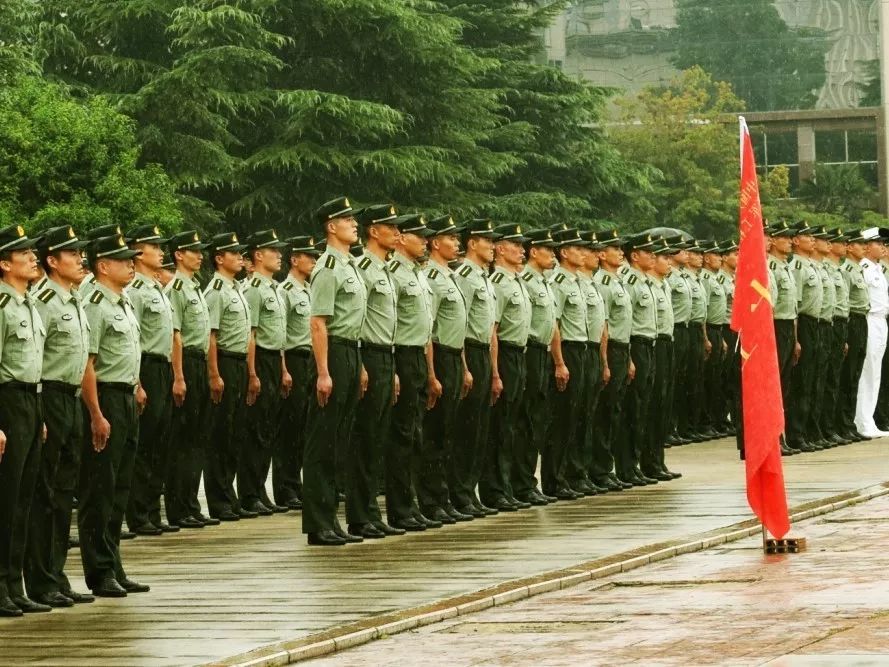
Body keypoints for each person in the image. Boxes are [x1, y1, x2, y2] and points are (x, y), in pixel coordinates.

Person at [24, 226, 93, 609]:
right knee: (45, 494)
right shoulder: (45, 300)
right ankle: (39, 580)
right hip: (47, 394)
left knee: (66, 492)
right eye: (72, 253)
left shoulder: (75, 298)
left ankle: (57, 574)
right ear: (52, 261)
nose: (80, 258)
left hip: (71, 398)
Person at [79, 233, 148, 598]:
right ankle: (99, 570)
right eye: (123, 260)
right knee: (100, 489)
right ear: (103, 266)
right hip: (104, 397)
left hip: (125, 397)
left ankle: (114, 562)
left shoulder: (123, 302)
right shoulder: (95, 303)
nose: (131, 264)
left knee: (120, 488)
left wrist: (136, 385)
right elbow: (87, 364)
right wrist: (95, 412)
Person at [302, 197, 368, 546]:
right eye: (347, 219)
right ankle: (317, 523)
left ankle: (331, 519)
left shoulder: (350, 264)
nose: (354, 224)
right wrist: (324, 372)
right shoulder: (327, 266)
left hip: (349, 351)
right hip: (333, 352)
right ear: (331, 226)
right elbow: (318, 323)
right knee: (323, 442)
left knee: (339, 440)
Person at [0, 225, 47, 616]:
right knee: (6, 497)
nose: (33, 258)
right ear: (4, 263)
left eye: (33, 252)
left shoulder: (29, 303)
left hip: (32, 402)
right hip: (8, 402)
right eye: (23, 253)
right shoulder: (1, 306)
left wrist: (40, 415)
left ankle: (15, 584)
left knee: (24, 500)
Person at [348, 204, 402, 538]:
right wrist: (363, 364)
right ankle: (359, 514)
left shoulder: (384, 269)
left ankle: (371, 511)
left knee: (378, 439)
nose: (397, 233)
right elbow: (359, 320)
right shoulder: (363, 268)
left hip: (387, 355)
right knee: (364, 439)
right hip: (367, 354)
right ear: (374, 232)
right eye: (390, 227)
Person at [386, 214, 439, 531]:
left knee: (417, 435)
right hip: (401, 357)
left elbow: (426, 329)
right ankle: (399, 507)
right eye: (418, 236)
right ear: (402, 238)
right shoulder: (392, 273)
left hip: (418, 356)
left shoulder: (419, 274)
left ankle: (413, 503)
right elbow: (388, 325)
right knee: (402, 436)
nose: (424, 242)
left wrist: (431, 373)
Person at [123, 225, 176, 537]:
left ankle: (153, 511)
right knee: (145, 444)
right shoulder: (136, 292)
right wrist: (139, 383)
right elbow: (135, 341)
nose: (160, 251)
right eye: (154, 246)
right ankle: (138, 513)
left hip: (164, 368)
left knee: (160, 441)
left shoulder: (158, 288)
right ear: (139, 252)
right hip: (147, 368)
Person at [420, 215, 472, 522]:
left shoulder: (451, 277)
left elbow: (459, 329)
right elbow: (429, 331)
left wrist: (464, 367)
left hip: (454, 355)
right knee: (435, 433)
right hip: (437, 355)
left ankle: (446, 496)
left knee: (450, 432)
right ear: (436, 243)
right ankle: (431, 499)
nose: (457, 244)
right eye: (450, 239)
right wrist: (431, 374)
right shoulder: (431, 279)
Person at [479, 223, 532, 512]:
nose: (522, 250)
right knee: (500, 426)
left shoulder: (516, 281)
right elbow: (493, 332)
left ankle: (509, 485)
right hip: (505, 355)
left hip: (519, 354)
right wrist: (496, 372)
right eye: (516, 244)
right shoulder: (498, 282)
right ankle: (495, 489)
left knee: (513, 426)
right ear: (501, 249)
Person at [165, 231, 216, 529]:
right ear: (178, 255)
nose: (199, 255)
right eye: (192, 251)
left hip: (199, 363)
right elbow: (176, 335)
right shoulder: (176, 289)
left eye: (200, 251)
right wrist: (180, 376)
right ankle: (177, 506)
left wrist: (210, 373)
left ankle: (190, 504)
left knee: (197, 437)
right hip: (186, 365)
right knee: (182, 439)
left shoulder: (195, 288)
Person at [202, 233, 254, 521]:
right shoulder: (217, 291)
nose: (239, 257)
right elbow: (211, 335)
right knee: (221, 434)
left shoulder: (236, 289)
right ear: (219, 258)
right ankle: (218, 499)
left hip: (239, 364)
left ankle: (229, 495)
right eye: (233, 253)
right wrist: (214, 373)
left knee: (235, 432)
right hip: (223, 362)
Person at [240, 230, 291, 516]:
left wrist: (283, 368)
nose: (279, 255)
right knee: (256, 429)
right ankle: (249, 493)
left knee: (269, 428)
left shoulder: (273, 287)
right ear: (258, 255)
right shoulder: (254, 289)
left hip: (274, 359)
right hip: (259, 360)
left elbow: (279, 335)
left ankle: (260, 489)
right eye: (274, 250)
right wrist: (252, 373)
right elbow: (252, 334)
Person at [452, 219, 500, 518]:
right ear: (473, 244)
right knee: (467, 429)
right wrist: (465, 367)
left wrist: (494, 371)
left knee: (481, 429)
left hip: (484, 353)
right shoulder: (466, 277)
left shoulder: (484, 278)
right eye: (487, 241)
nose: (492, 246)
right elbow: (460, 325)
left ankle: (469, 492)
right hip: (467, 351)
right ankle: (459, 493)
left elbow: (491, 330)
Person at [514, 229, 561, 505]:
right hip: (528, 351)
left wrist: (557, 361)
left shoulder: (542, 282)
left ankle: (528, 482)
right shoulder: (527, 281)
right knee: (527, 420)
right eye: (548, 249)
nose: (552, 254)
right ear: (535, 252)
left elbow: (552, 324)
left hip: (542, 353)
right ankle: (521, 483)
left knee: (537, 421)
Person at [543, 227, 589, 499]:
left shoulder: (579, 281)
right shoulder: (557, 282)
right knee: (562, 419)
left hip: (583, 349)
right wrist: (559, 361)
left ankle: (573, 474)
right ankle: (555, 479)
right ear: (564, 252)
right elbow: (555, 324)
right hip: (567, 350)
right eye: (577, 248)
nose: (583, 252)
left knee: (578, 416)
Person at [276, 235, 321, 512]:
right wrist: (283, 368)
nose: (314, 261)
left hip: (309, 360)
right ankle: (286, 486)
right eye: (309, 256)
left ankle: (297, 483)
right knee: (289, 427)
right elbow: (279, 334)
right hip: (292, 358)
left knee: (305, 425)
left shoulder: (310, 290)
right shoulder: (285, 292)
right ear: (294, 260)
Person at [616, 233, 659, 486]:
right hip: (635, 347)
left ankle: (638, 465)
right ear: (635, 256)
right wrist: (631, 357)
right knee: (632, 410)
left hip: (650, 346)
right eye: (648, 251)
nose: (653, 256)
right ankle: (626, 467)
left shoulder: (647, 281)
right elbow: (626, 325)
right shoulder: (630, 281)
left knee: (644, 409)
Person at [591, 229, 633, 490]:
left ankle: (610, 468)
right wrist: (605, 362)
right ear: (602, 254)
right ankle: (600, 469)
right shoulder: (602, 284)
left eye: (621, 248)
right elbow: (603, 327)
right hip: (608, 349)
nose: (620, 252)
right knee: (604, 412)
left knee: (615, 412)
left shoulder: (617, 281)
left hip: (622, 349)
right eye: (614, 248)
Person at [573, 230, 608, 494]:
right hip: (571, 351)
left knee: (588, 415)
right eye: (586, 249)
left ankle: (582, 472)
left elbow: (602, 326)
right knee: (570, 417)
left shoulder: (592, 283)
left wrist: (603, 361)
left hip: (591, 349)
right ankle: (567, 476)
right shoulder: (562, 282)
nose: (595, 254)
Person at [644, 239, 681, 481]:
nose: (669, 262)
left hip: (665, 343)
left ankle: (656, 461)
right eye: (663, 257)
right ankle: (644, 463)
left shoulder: (662, 285)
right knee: (647, 408)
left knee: (661, 406)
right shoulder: (638, 284)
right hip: (647, 344)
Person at [787, 221, 824, 451]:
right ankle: (797, 433)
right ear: (796, 240)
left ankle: (809, 430)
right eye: (807, 236)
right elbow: (795, 306)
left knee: (813, 379)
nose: (812, 239)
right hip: (803, 323)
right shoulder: (797, 267)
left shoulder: (810, 265)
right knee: (802, 381)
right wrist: (796, 338)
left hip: (816, 323)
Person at [767, 220, 801, 455]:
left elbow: (793, 308)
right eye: (784, 237)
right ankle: (773, 438)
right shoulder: (767, 266)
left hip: (789, 327)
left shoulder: (786, 266)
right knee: (774, 385)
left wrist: (796, 339)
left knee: (786, 385)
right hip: (775, 328)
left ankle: (782, 436)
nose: (789, 241)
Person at [854, 227, 889, 438]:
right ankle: (862, 421)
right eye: (879, 243)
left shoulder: (877, 269)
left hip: (881, 321)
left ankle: (869, 420)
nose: (884, 247)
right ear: (867, 246)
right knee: (867, 372)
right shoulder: (864, 268)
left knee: (875, 373)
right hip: (869, 319)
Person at [839, 230, 870, 442]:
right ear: (850, 247)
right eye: (860, 244)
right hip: (850, 322)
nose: (864, 247)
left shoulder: (859, 269)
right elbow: (845, 303)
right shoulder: (846, 270)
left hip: (862, 320)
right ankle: (841, 424)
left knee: (855, 376)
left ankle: (849, 424)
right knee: (846, 375)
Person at [821, 228, 851, 445]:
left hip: (836, 323)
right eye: (839, 242)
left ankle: (830, 427)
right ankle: (810, 430)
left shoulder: (836, 270)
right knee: (812, 381)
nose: (845, 245)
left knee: (834, 378)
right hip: (815, 324)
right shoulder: (808, 268)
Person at [665, 236, 693, 446]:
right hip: (672, 330)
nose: (688, 254)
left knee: (683, 380)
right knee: (670, 383)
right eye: (682, 251)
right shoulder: (669, 278)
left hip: (685, 329)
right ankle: (669, 427)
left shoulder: (682, 276)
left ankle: (675, 426)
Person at [699, 241, 728, 437]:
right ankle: (704, 422)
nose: (720, 257)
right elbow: (703, 311)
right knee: (706, 380)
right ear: (707, 258)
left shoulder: (716, 279)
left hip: (719, 331)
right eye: (716, 254)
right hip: (708, 329)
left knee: (718, 379)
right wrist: (706, 337)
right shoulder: (705, 280)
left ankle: (716, 421)